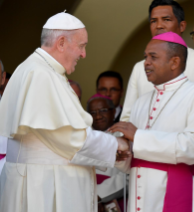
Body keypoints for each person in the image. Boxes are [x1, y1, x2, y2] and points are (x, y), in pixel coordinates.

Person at [0, 12, 129, 212]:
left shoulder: (36, 70)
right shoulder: (41, 75)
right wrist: (116, 145)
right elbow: (70, 139)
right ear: (61, 43)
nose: (84, 54)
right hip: (45, 187)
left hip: (41, 181)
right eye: (81, 46)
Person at [109, 32, 194, 212]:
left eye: (153, 57)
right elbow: (132, 160)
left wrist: (138, 136)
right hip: (138, 195)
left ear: (174, 62)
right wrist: (121, 156)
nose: (146, 62)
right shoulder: (141, 101)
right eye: (145, 57)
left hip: (173, 191)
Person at [120, 0, 194, 122]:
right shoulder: (140, 68)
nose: (159, 25)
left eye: (166, 20)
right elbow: (127, 118)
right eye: (153, 21)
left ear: (182, 26)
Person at [87, 93, 126, 212]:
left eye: (103, 110)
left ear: (114, 111)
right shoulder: (83, 137)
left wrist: (98, 195)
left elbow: (128, 176)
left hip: (113, 198)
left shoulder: (123, 136)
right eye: (92, 112)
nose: (98, 116)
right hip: (84, 197)